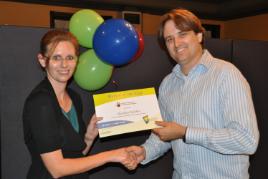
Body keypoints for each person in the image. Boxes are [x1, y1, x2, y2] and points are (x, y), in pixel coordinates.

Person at [127, 8, 260, 179]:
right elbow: (164, 133)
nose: (176, 43)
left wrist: (186, 132)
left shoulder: (226, 75)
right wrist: (144, 152)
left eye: (182, 34)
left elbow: (246, 140)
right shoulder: (168, 84)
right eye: (169, 39)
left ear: (199, 35)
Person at [22, 29, 137, 179]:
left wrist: (89, 137)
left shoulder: (74, 98)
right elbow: (57, 169)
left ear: (77, 60)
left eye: (70, 57)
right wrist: (111, 155)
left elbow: (76, 155)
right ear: (43, 60)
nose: (64, 64)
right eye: (56, 58)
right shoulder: (40, 103)